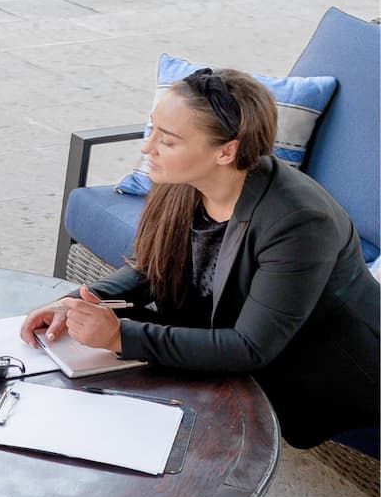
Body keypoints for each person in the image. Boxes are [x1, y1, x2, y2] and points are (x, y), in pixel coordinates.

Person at [21, 68, 380, 450]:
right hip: (234, 337)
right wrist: (81, 299)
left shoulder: (300, 222)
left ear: (227, 151)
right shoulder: (184, 185)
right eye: (153, 129)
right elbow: (152, 270)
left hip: (324, 372)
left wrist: (117, 335)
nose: (147, 148)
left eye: (169, 140)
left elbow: (250, 347)